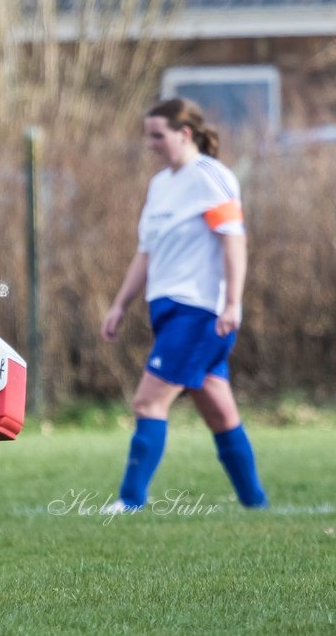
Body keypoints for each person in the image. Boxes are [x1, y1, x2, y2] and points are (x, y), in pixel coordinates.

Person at [99, 97, 268, 514]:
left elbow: (234, 239)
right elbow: (146, 253)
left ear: (184, 133)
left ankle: (130, 501)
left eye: (158, 135)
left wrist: (231, 302)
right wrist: (120, 304)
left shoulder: (211, 177)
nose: (151, 144)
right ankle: (256, 504)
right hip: (168, 309)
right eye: (148, 136)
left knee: (147, 402)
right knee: (220, 411)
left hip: (201, 312)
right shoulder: (161, 185)